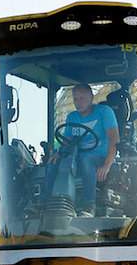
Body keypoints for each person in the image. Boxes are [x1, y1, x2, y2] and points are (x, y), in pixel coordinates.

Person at [49, 83, 119, 212]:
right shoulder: (72, 117)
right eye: (75, 99)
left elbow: (114, 139)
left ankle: (89, 205)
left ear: (91, 98)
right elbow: (67, 140)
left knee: (86, 159)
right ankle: (44, 203)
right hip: (77, 157)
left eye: (82, 98)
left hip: (100, 157)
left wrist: (107, 166)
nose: (78, 102)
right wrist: (58, 154)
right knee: (52, 163)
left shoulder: (104, 112)